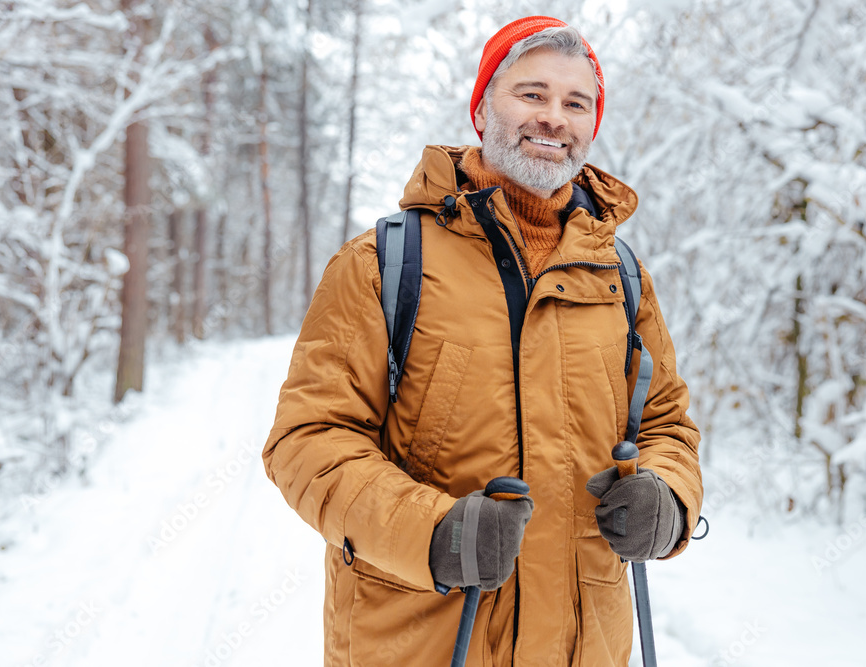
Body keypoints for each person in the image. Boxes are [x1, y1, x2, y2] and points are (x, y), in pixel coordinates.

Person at [263, 15, 703, 666]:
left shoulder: (621, 277)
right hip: (424, 642)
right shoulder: (383, 264)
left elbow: (666, 422)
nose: (553, 116)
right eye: (531, 94)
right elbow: (307, 442)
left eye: (575, 102)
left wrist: (669, 497)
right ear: (481, 110)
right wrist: (431, 531)